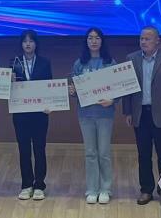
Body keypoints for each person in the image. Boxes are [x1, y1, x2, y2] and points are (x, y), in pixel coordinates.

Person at [123, 25, 161, 205]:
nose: (143, 41)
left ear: (157, 40)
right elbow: (126, 88)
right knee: (143, 154)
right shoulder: (131, 59)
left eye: (147, 38)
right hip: (140, 114)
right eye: (141, 38)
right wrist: (128, 111)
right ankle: (146, 189)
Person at [68, 27, 117, 205]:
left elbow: (119, 88)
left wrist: (112, 100)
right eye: (90, 38)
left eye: (97, 38)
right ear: (86, 41)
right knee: (90, 152)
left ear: (102, 41)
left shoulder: (110, 62)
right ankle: (92, 189)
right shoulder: (79, 64)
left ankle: (105, 189)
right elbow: (74, 90)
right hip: (86, 114)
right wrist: (72, 91)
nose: (94, 41)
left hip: (105, 114)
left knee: (103, 152)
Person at [10, 29, 52, 200]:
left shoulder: (44, 62)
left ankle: (39, 184)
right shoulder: (14, 63)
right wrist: (9, 81)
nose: (28, 44)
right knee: (24, 149)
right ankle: (26, 184)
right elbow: (8, 88)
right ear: (21, 44)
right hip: (20, 113)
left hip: (40, 113)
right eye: (25, 41)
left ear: (36, 44)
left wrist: (49, 105)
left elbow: (49, 86)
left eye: (31, 41)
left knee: (40, 148)